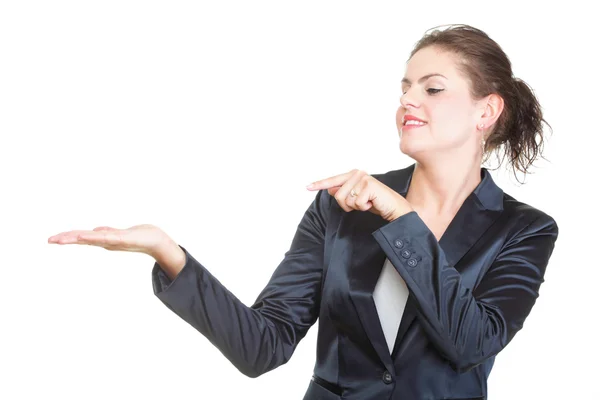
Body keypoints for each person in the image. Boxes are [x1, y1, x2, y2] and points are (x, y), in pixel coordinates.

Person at [47, 24, 559, 400]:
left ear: (486, 111)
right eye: (403, 87)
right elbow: (262, 347)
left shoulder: (524, 229)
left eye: (431, 88)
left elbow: (471, 342)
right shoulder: (340, 207)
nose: (408, 100)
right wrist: (168, 251)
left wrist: (403, 220)